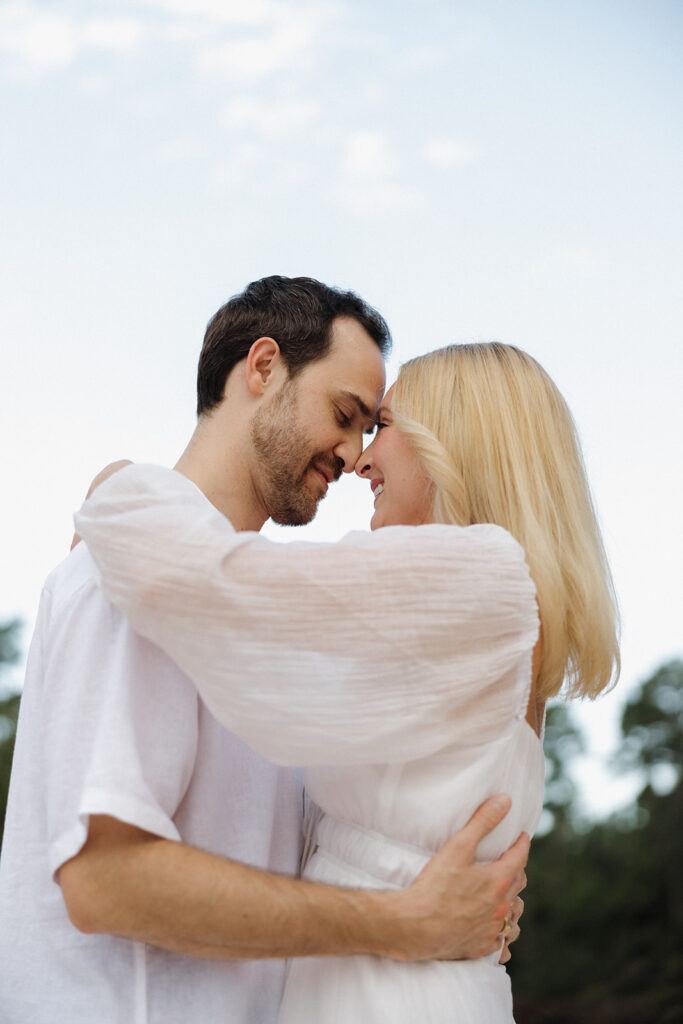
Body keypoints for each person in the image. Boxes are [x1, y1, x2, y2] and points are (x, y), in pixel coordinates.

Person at [0, 279, 528, 1024]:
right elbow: (104, 879)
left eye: (371, 429)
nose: (352, 454)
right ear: (262, 367)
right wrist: (403, 922)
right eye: (345, 416)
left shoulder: (256, 623)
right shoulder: (130, 579)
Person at [75, 341, 620, 1023]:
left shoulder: (478, 579)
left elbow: (208, 580)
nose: (362, 458)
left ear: (456, 439)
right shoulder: (493, 604)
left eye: (384, 427)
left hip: (388, 993)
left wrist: (115, 487)